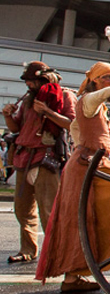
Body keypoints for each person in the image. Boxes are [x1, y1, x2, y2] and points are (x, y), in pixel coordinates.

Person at [34, 63, 110, 292]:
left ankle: (76, 274)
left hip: (93, 163)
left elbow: (77, 126)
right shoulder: (89, 99)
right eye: (109, 77)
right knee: (81, 218)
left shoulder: (94, 105)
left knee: (89, 216)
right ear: (96, 80)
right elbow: (106, 94)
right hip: (85, 167)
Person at [3, 62, 73, 265]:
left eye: (31, 81)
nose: (28, 85)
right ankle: (28, 250)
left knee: (48, 210)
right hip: (24, 158)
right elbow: (17, 127)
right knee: (22, 209)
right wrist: (8, 115)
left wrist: (48, 112)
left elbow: (71, 123)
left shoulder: (65, 96)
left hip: (46, 158)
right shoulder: (27, 100)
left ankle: (53, 252)